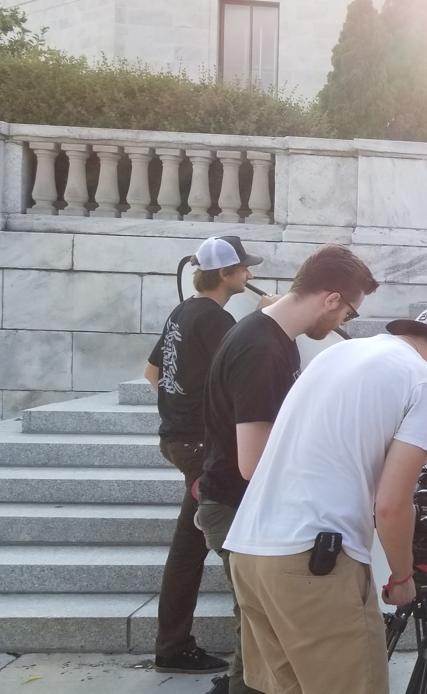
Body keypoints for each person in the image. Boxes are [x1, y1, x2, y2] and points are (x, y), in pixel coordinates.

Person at [224, 308, 427, 694]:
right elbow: (391, 503)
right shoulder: (424, 383)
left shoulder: (337, 355)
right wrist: (403, 577)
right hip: (313, 562)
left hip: (250, 551)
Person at [195, 244, 377, 694]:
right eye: (348, 314)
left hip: (241, 505)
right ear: (331, 299)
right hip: (240, 506)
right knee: (259, 655)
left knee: (264, 651)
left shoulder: (270, 337)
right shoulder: (263, 350)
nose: (341, 325)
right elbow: (255, 462)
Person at [142, 236, 263, 676]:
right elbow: (242, 366)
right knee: (193, 548)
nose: (249, 274)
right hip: (197, 447)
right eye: (243, 269)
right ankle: (174, 648)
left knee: (190, 543)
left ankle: (174, 645)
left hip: (179, 440)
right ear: (225, 275)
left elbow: (152, 372)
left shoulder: (183, 312)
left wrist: (181, 410)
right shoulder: (214, 319)